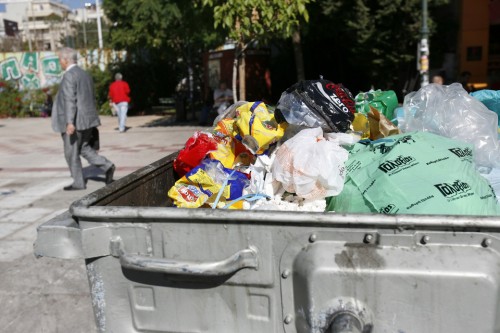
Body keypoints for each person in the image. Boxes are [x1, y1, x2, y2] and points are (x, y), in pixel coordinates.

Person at [51, 47, 115, 191]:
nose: (60, 62)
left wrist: (69, 122)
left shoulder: (69, 75)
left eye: (60, 59)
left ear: (66, 60)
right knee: (84, 148)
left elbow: (70, 100)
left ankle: (78, 183)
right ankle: (107, 166)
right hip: (88, 120)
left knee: (71, 153)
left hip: (75, 122)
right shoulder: (84, 74)